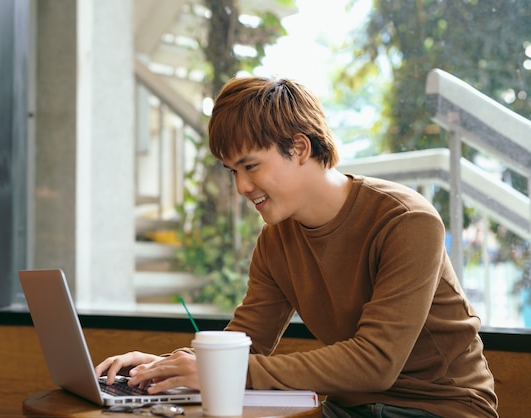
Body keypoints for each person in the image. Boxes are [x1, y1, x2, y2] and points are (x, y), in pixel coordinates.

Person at [95, 76, 499, 418]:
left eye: (250, 166)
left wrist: (224, 373)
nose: (241, 187)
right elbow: (246, 339)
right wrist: (166, 367)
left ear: (301, 148)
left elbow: (376, 363)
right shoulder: (275, 241)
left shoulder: (406, 220)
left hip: (441, 408)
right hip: (347, 409)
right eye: (232, 170)